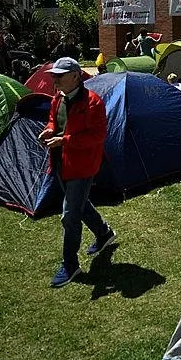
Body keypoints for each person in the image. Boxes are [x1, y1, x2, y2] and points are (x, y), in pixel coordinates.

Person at [37, 57, 115, 288]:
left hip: (82, 165)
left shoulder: (92, 102)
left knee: (70, 215)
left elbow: (97, 136)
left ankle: (70, 265)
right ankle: (103, 233)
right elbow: (54, 121)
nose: (55, 79)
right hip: (60, 162)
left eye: (59, 76)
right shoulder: (58, 98)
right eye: (54, 75)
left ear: (75, 76)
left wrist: (64, 140)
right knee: (78, 203)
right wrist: (49, 130)